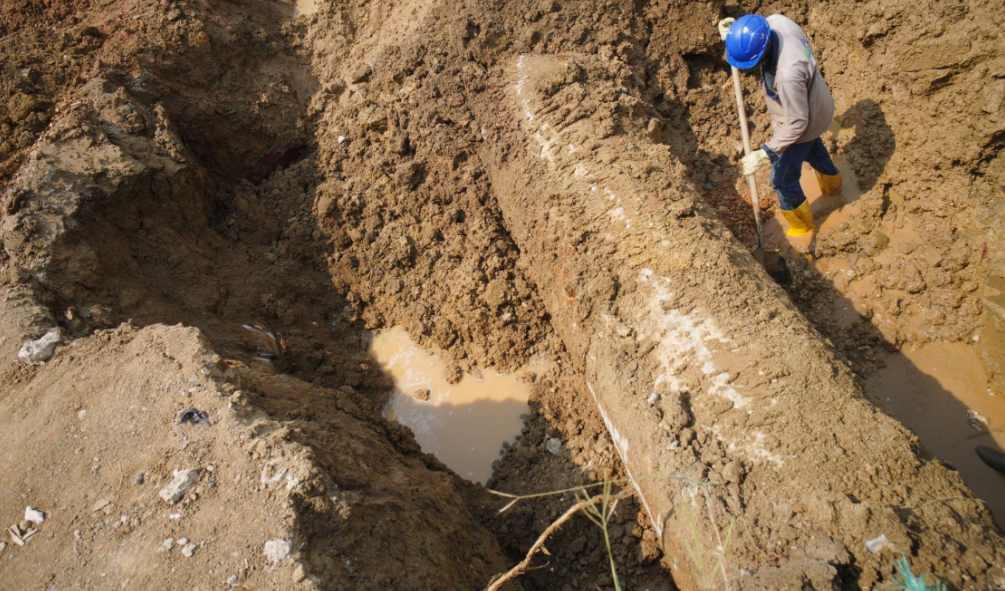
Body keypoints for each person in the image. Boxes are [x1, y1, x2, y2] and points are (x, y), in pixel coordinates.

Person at [718, 14, 842, 237]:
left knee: (782, 180)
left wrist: (765, 154)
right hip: (818, 105)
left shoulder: (787, 75)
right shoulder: (776, 22)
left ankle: (802, 227)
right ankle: (834, 188)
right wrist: (736, 36)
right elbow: (754, 33)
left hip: (802, 124)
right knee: (815, 149)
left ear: (764, 48)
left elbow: (797, 123)